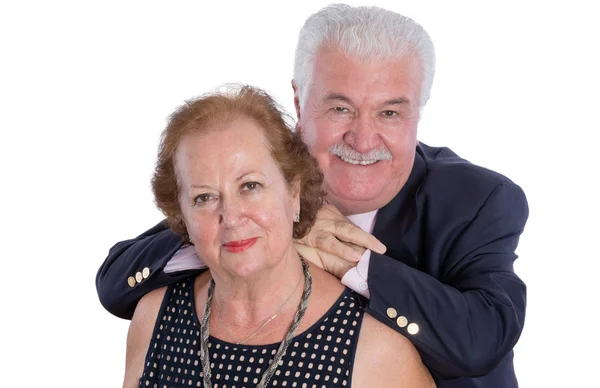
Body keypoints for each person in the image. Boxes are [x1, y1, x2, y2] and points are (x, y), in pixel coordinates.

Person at [100, 4, 528, 387]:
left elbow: (481, 341)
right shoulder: (263, 172)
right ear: (299, 101)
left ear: (419, 112)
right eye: (340, 108)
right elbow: (115, 282)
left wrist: (347, 259)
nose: (362, 140)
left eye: (390, 112)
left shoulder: (480, 200)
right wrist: (264, 229)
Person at [122, 85, 435, 387]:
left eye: (250, 186)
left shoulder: (376, 350)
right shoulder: (154, 319)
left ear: (294, 193)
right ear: (182, 217)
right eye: (204, 198)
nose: (231, 218)